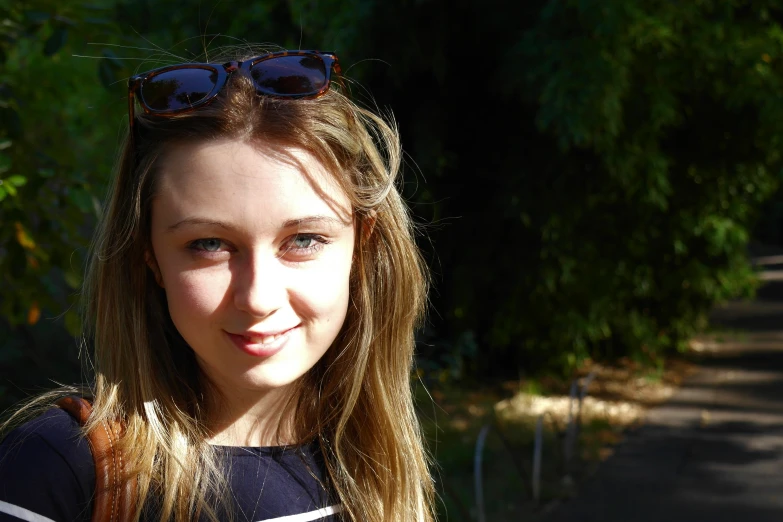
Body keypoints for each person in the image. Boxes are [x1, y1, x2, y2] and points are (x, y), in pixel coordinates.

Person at [0, 48, 434, 522]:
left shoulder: (379, 469)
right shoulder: (57, 472)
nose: (258, 298)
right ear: (149, 256)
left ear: (361, 245)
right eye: (209, 243)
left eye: (303, 240)